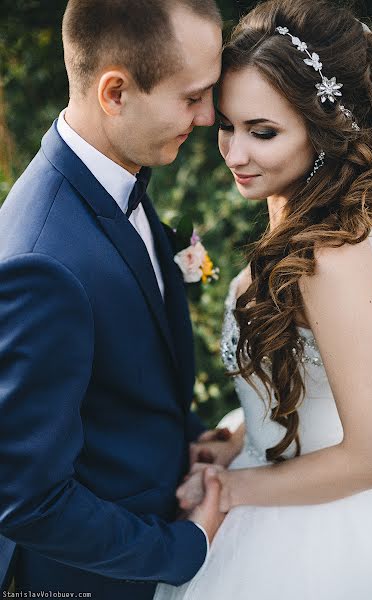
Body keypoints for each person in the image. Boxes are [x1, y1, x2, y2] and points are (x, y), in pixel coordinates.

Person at [154, 0, 372, 598]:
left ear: (323, 130)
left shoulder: (331, 258)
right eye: (228, 127)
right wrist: (241, 433)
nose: (235, 155)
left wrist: (232, 490)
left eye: (263, 132)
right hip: (273, 475)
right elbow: (321, 390)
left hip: (320, 535)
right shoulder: (297, 222)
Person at [0, 1, 225, 598]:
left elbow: (120, 375)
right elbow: (27, 499)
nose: (207, 118)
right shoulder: (41, 258)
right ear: (115, 93)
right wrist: (182, 548)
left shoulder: (114, 176)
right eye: (192, 97)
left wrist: (190, 438)